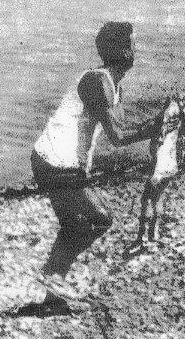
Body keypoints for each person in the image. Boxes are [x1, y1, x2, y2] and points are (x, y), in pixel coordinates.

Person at [18, 21, 175, 316]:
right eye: (129, 45)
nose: (134, 51)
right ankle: (51, 276)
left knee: (74, 227)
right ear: (117, 51)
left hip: (58, 162)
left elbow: (122, 130)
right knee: (99, 219)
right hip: (55, 162)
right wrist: (158, 125)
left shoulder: (114, 86)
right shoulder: (96, 82)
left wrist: (158, 126)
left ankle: (51, 298)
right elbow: (118, 137)